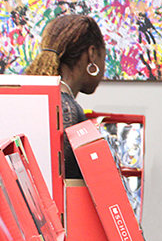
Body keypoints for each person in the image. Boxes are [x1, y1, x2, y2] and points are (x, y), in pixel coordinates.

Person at [26, 14, 106, 179]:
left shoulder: (36, 103)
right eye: (103, 57)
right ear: (92, 54)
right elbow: (64, 186)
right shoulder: (67, 110)